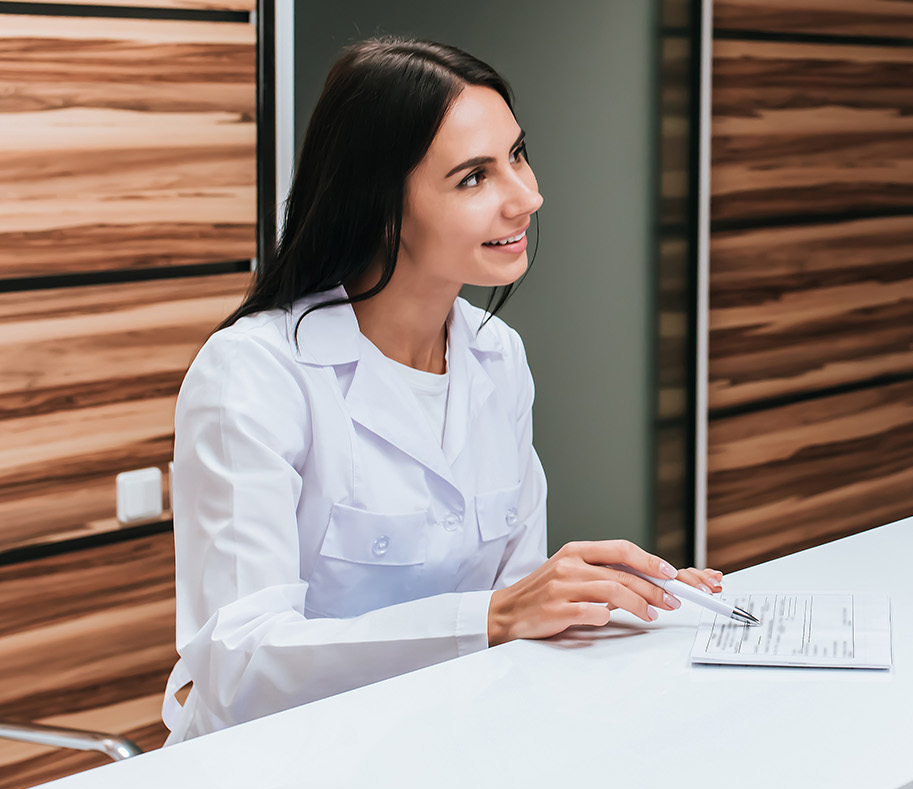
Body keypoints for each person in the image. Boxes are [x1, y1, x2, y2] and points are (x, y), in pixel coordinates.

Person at [161, 37, 721, 742]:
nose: (527, 196)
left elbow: (519, 611)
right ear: (381, 207)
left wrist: (616, 601)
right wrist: (493, 617)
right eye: (473, 178)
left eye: (517, 154)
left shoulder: (498, 357)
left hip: (445, 753)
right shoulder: (253, 374)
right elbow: (238, 668)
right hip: (272, 786)